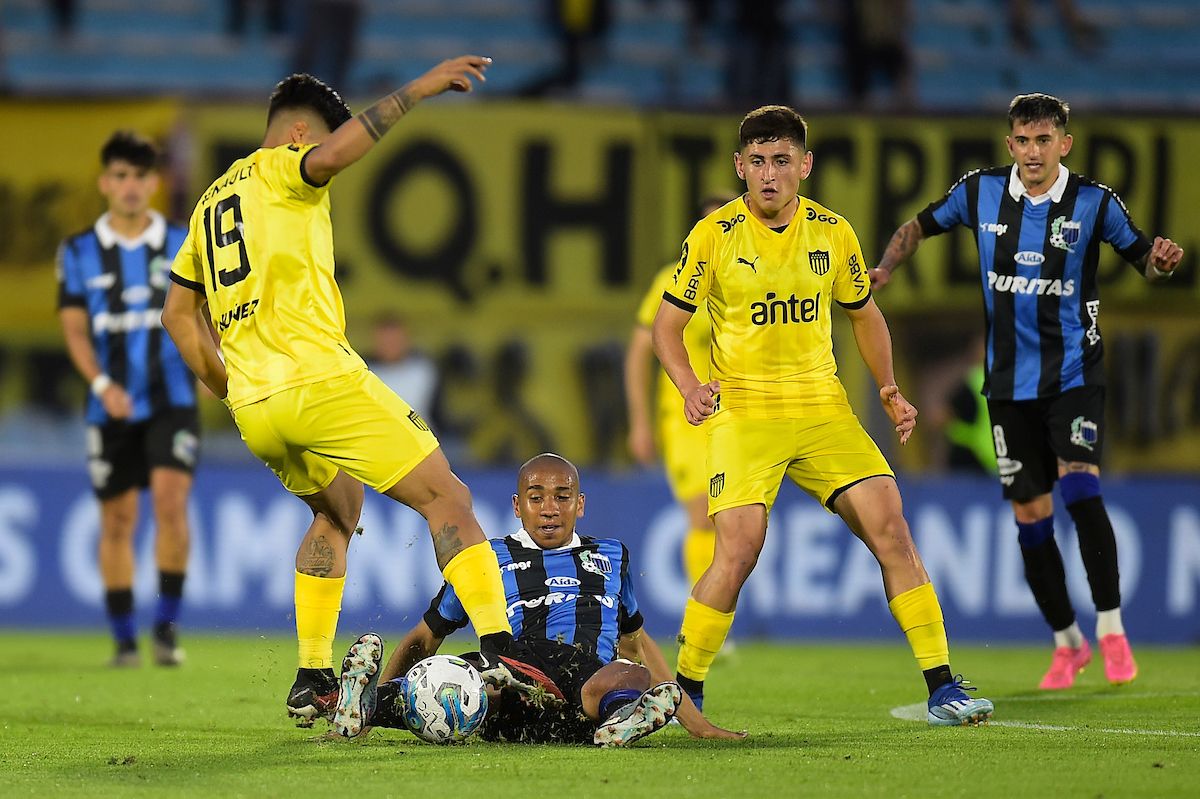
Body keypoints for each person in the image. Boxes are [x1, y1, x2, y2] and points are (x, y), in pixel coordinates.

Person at [162, 60, 539, 726]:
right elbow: (337, 152)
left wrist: (231, 388)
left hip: (256, 404)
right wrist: (421, 90)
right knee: (447, 496)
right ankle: (503, 653)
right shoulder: (282, 165)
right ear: (300, 131)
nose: (320, 154)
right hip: (317, 379)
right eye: (316, 140)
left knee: (337, 511)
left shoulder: (209, 203)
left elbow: (176, 317)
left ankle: (311, 676)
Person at [652, 105, 994, 727]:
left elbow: (863, 313)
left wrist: (889, 388)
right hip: (745, 412)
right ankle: (685, 690)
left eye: (782, 160)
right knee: (738, 550)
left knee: (891, 529)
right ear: (739, 167)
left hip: (822, 408)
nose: (768, 174)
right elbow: (666, 326)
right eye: (756, 161)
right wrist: (688, 385)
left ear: (805, 166)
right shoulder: (715, 236)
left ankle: (943, 685)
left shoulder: (833, 233)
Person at [870, 93, 1185, 690]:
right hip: (1008, 385)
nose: (1033, 151)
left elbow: (1144, 260)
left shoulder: (1094, 203)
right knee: (1030, 514)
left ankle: (1112, 630)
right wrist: (886, 267)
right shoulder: (978, 192)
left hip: (1073, 375)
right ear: (1009, 144)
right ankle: (1067, 641)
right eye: (1023, 140)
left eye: (1045, 140)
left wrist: (1161, 263)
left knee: (1081, 485)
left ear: (1064, 143)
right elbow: (917, 227)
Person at [331, 453, 746, 746]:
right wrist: (390, 687)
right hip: (511, 680)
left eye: (562, 497)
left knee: (631, 674)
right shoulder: (484, 559)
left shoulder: (611, 555)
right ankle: (365, 706)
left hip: (584, 692)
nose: (550, 509)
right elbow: (425, 639)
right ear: (517, 505)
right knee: (452, 682)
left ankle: (623, 718)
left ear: (580, 504)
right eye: (536, 497)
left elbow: (637, 643)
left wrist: (697, 725)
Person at [56, 131, 196, 669]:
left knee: (170, 505)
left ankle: (165, 629)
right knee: (117, 521)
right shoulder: (78, 251)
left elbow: (201, 316)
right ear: (104, 183)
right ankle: (122, 639)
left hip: (171, 398)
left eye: (140, 176)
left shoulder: (181, 241)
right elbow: (74, 332)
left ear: (154, 183)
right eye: (120, 176)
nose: (131, 187)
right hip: (108, 403)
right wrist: (100, 385)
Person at [625, 195, 730, 595]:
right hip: (685, 415)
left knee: (731, 521)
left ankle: (716, 618)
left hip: (737, 415)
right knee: (703, 515)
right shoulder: (673, 280)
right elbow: (639, 351)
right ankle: (704, 616)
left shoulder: (749, 280)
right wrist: (640, 422)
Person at [367, 312, 437, 419]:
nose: (390, 346)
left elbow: (436, 411)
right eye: (386, 341)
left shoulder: (423, 369)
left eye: (394, 340)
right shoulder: (365, 372)